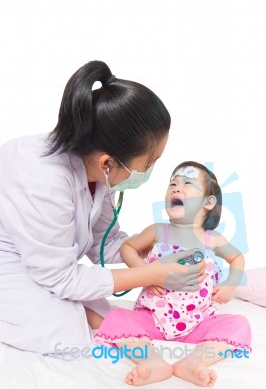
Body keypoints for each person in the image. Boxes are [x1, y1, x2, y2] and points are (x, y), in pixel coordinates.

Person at [0, 61, 206, 358]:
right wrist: (152, 275)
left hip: (42, 260)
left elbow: (104, 242)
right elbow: (63, 279)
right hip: (10, 260)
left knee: (98, 306)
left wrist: (155, 250)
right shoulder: (42, 180)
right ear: (108, 163)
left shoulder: (98, 169)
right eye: (148, 163)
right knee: (65, 329)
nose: (149, 171)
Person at [95, 161, 252, 387]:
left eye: (187, 184)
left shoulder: (212, 239)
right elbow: (127, 247)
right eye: (172, 184)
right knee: (116, 317)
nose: (176, 188)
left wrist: (230, 284)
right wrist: (144, 272)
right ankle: (152, 362)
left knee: (239, 325)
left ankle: (194, 362)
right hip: (153, 317)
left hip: (198, 321)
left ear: (208, 202)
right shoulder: (158, 231)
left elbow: (237, 258)